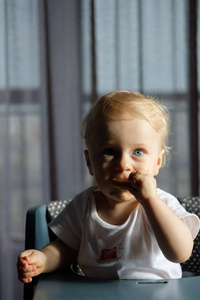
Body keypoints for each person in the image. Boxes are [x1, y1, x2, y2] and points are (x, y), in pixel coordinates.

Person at [17, 91, 200, 283]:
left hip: (158, 293)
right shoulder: (84, 205)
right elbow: (66, 249)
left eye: (138, 151)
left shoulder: (162, 204)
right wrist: (43, 259)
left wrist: (150, 200)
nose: (123, 164)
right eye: (110, 152)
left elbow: (180, 253)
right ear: (90, 163)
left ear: (157, 162)